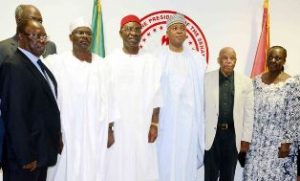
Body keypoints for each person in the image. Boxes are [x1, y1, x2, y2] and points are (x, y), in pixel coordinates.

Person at [44, 17, 116, 181]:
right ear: (71, 37)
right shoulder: (57, 62)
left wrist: (110, 129)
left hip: (96, 128)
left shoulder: (103, 64)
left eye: (88, 33)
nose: (84, 36)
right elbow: (48, 99)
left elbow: (111, 97)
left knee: (95, 166)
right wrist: (55, 132)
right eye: (80, 32)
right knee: (66, 167)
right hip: (68, 127)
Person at [0, 19, 62, 181]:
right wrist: (26, 156)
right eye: (35, 36)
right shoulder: (14, 65)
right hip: (25, 160)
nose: (42, 40)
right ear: (21, 37)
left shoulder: (38, 64)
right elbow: (14, 115)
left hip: (39, 153)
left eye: (43, 36)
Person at [104, 14, 162, 181]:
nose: (133, 33)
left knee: (143, 166)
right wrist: (108, 129)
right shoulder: (110, 61)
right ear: (120, 33)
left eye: (137, 29)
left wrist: (154, 124)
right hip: (118, 126)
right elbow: (106, 97)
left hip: (142, 125)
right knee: (116, 167)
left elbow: (157, 96)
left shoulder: (151, 61)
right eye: (129, 29)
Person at [155, 13, 206, 181]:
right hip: (165, 122)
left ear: (186, 34)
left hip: (189, 123)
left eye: (182, 28)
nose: (179, 31)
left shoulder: (197, 60)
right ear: (167, 33)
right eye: (174, 28)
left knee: (185, 160)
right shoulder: (157, 58)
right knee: (164, 159)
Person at [244, 46, 300, 181]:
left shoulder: (293, 83)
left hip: (278, 144)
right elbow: (249, 111)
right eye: (271, 57)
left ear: (284, 61)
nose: (273, 60)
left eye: (278, 58)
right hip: (257, 143)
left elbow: (294, 116)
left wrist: (286, 142)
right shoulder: (256, 82)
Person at [204, 47, 254, 181]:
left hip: (233, 136)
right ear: (218, 60)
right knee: (210, 176)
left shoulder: (246, 82)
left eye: (232, 58)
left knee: (228, 175)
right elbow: (200, 109)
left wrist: (245, 139)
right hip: (211, 136)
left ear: (236, 61)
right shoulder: (206, 79)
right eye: (225, 58)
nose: (228, 61)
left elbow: (249, 113)